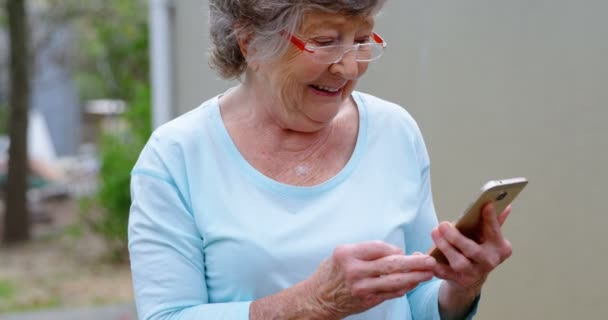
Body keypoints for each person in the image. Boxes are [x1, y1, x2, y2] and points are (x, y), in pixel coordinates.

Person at [128, 1, 513, 319]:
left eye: (362, 40)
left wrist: (461, 287)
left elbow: (417, 302)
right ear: (250, 43)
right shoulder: (176, 156)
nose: (348, 68)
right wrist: (310, 303)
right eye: (325, 41)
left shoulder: (394, 130)